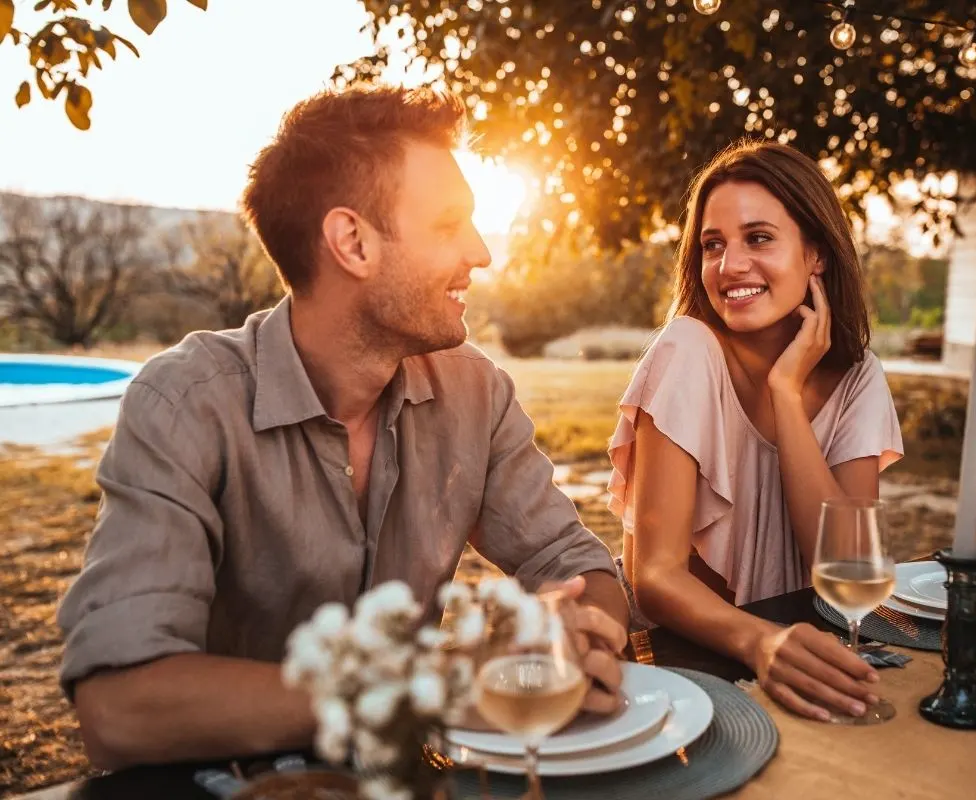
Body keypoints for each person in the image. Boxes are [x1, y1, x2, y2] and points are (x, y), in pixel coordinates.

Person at [56, 86, 629, 771]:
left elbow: (579, 566)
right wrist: (428, 690)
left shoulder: (475, 391)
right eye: (449, 224)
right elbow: (120, 709)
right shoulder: (184, 405)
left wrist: (578, 634)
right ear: (352, 242)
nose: (481, 252)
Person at [607, 140, 904, 722]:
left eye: (759, 238)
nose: (729, 265)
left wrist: (787, 395)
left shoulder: (859, 377)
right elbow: (657, 579)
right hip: (691, 669)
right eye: (712, 245)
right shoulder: (687, 349)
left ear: (816, 253)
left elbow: (839, 564)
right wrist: (762, 642)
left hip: (803, 648)